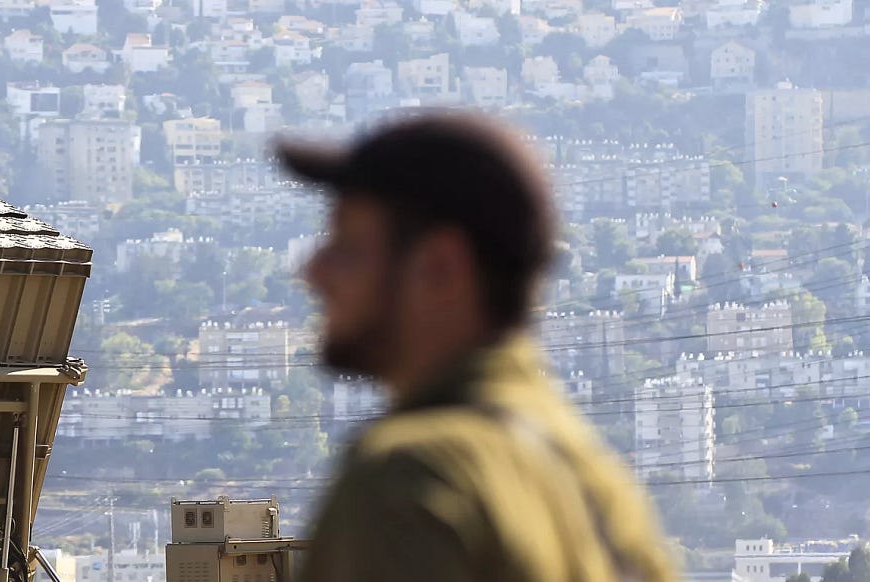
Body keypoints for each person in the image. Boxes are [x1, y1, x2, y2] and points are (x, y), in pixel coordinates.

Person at [278, 112, 674, 581]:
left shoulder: (413, 480)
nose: (315, 271)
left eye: (347, 247)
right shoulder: (598, 487)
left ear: (440, 267)